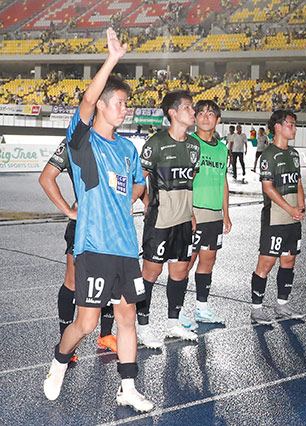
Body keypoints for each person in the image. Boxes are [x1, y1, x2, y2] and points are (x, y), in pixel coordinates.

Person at [43, 28, 152, 412]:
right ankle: (59, 362)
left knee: (127, 318)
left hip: (125, 247)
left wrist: (124, 200)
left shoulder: (128, 148)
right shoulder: (83, 142)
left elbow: (138, 184)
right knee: (87, 325)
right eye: (120, 103)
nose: (125, 110)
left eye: (127, 104)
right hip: (93, 246)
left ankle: (128, 388)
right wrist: (112, 59)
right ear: (103, 106)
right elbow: (86, 100)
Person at [39, 139, 118, 358]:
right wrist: (68, 210)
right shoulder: (73, 141)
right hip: (84, 225)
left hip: (111, 226)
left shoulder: (118, 142)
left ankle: (106, 335)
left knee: (111, 281)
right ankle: (66, 342)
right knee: (73, 281)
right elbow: (46, 177)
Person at [137, 90, 200, 346]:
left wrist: (190, 213)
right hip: (160, 220)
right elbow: (139, 179)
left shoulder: (194, 145)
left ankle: (173, 324)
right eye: (188, 108)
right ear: (172, 113)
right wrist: (146, 201)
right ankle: (142, 328)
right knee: (151, 273)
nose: (193, 112)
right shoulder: (156, 143)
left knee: (180, 272)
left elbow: (189, 182)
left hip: (183, 221)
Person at [250, 110, 306, 323]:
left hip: (293, 217)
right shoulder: (268, 154)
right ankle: (256, 308)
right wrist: (290, 209)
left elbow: (298, 181)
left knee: (289, 260)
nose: (294, 128)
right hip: (275, 218)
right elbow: (268, 187)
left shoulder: (294, 154)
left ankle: (282, 305)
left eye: (294, 124)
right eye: (291, 124)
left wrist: (300, 205)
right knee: (266, 262)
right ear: (278, 127)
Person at [186, 100, 229, 325]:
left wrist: (226, 213)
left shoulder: (222, 148)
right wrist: (188, 212)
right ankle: (177, 311)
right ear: (194, 118)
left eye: (210, 114)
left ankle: (201, 308)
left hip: (214, 215)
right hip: (194, 212)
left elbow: (223, 181)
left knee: (208, 260)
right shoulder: (189, 144)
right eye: (201, 113)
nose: (205, 117)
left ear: (218, 120)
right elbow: (184, 180)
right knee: (186, 262)